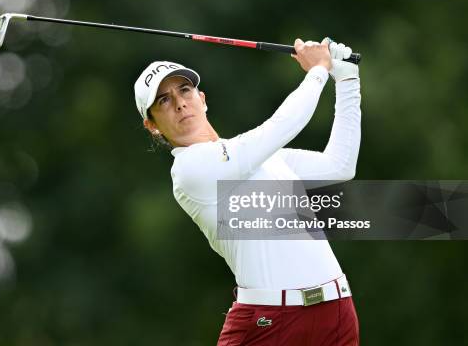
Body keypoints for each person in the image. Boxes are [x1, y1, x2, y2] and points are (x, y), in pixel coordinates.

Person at [134, 38, 361, 345]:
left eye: (184, 90)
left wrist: (347, 79)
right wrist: (319, 70)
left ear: (202, 98)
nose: (179, 103)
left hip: (335, 313)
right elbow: (280, 126)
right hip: (267, 323)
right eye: (163, 100)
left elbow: (339, 166)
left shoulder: (258, 155)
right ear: (153, 126)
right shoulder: (189, 171)